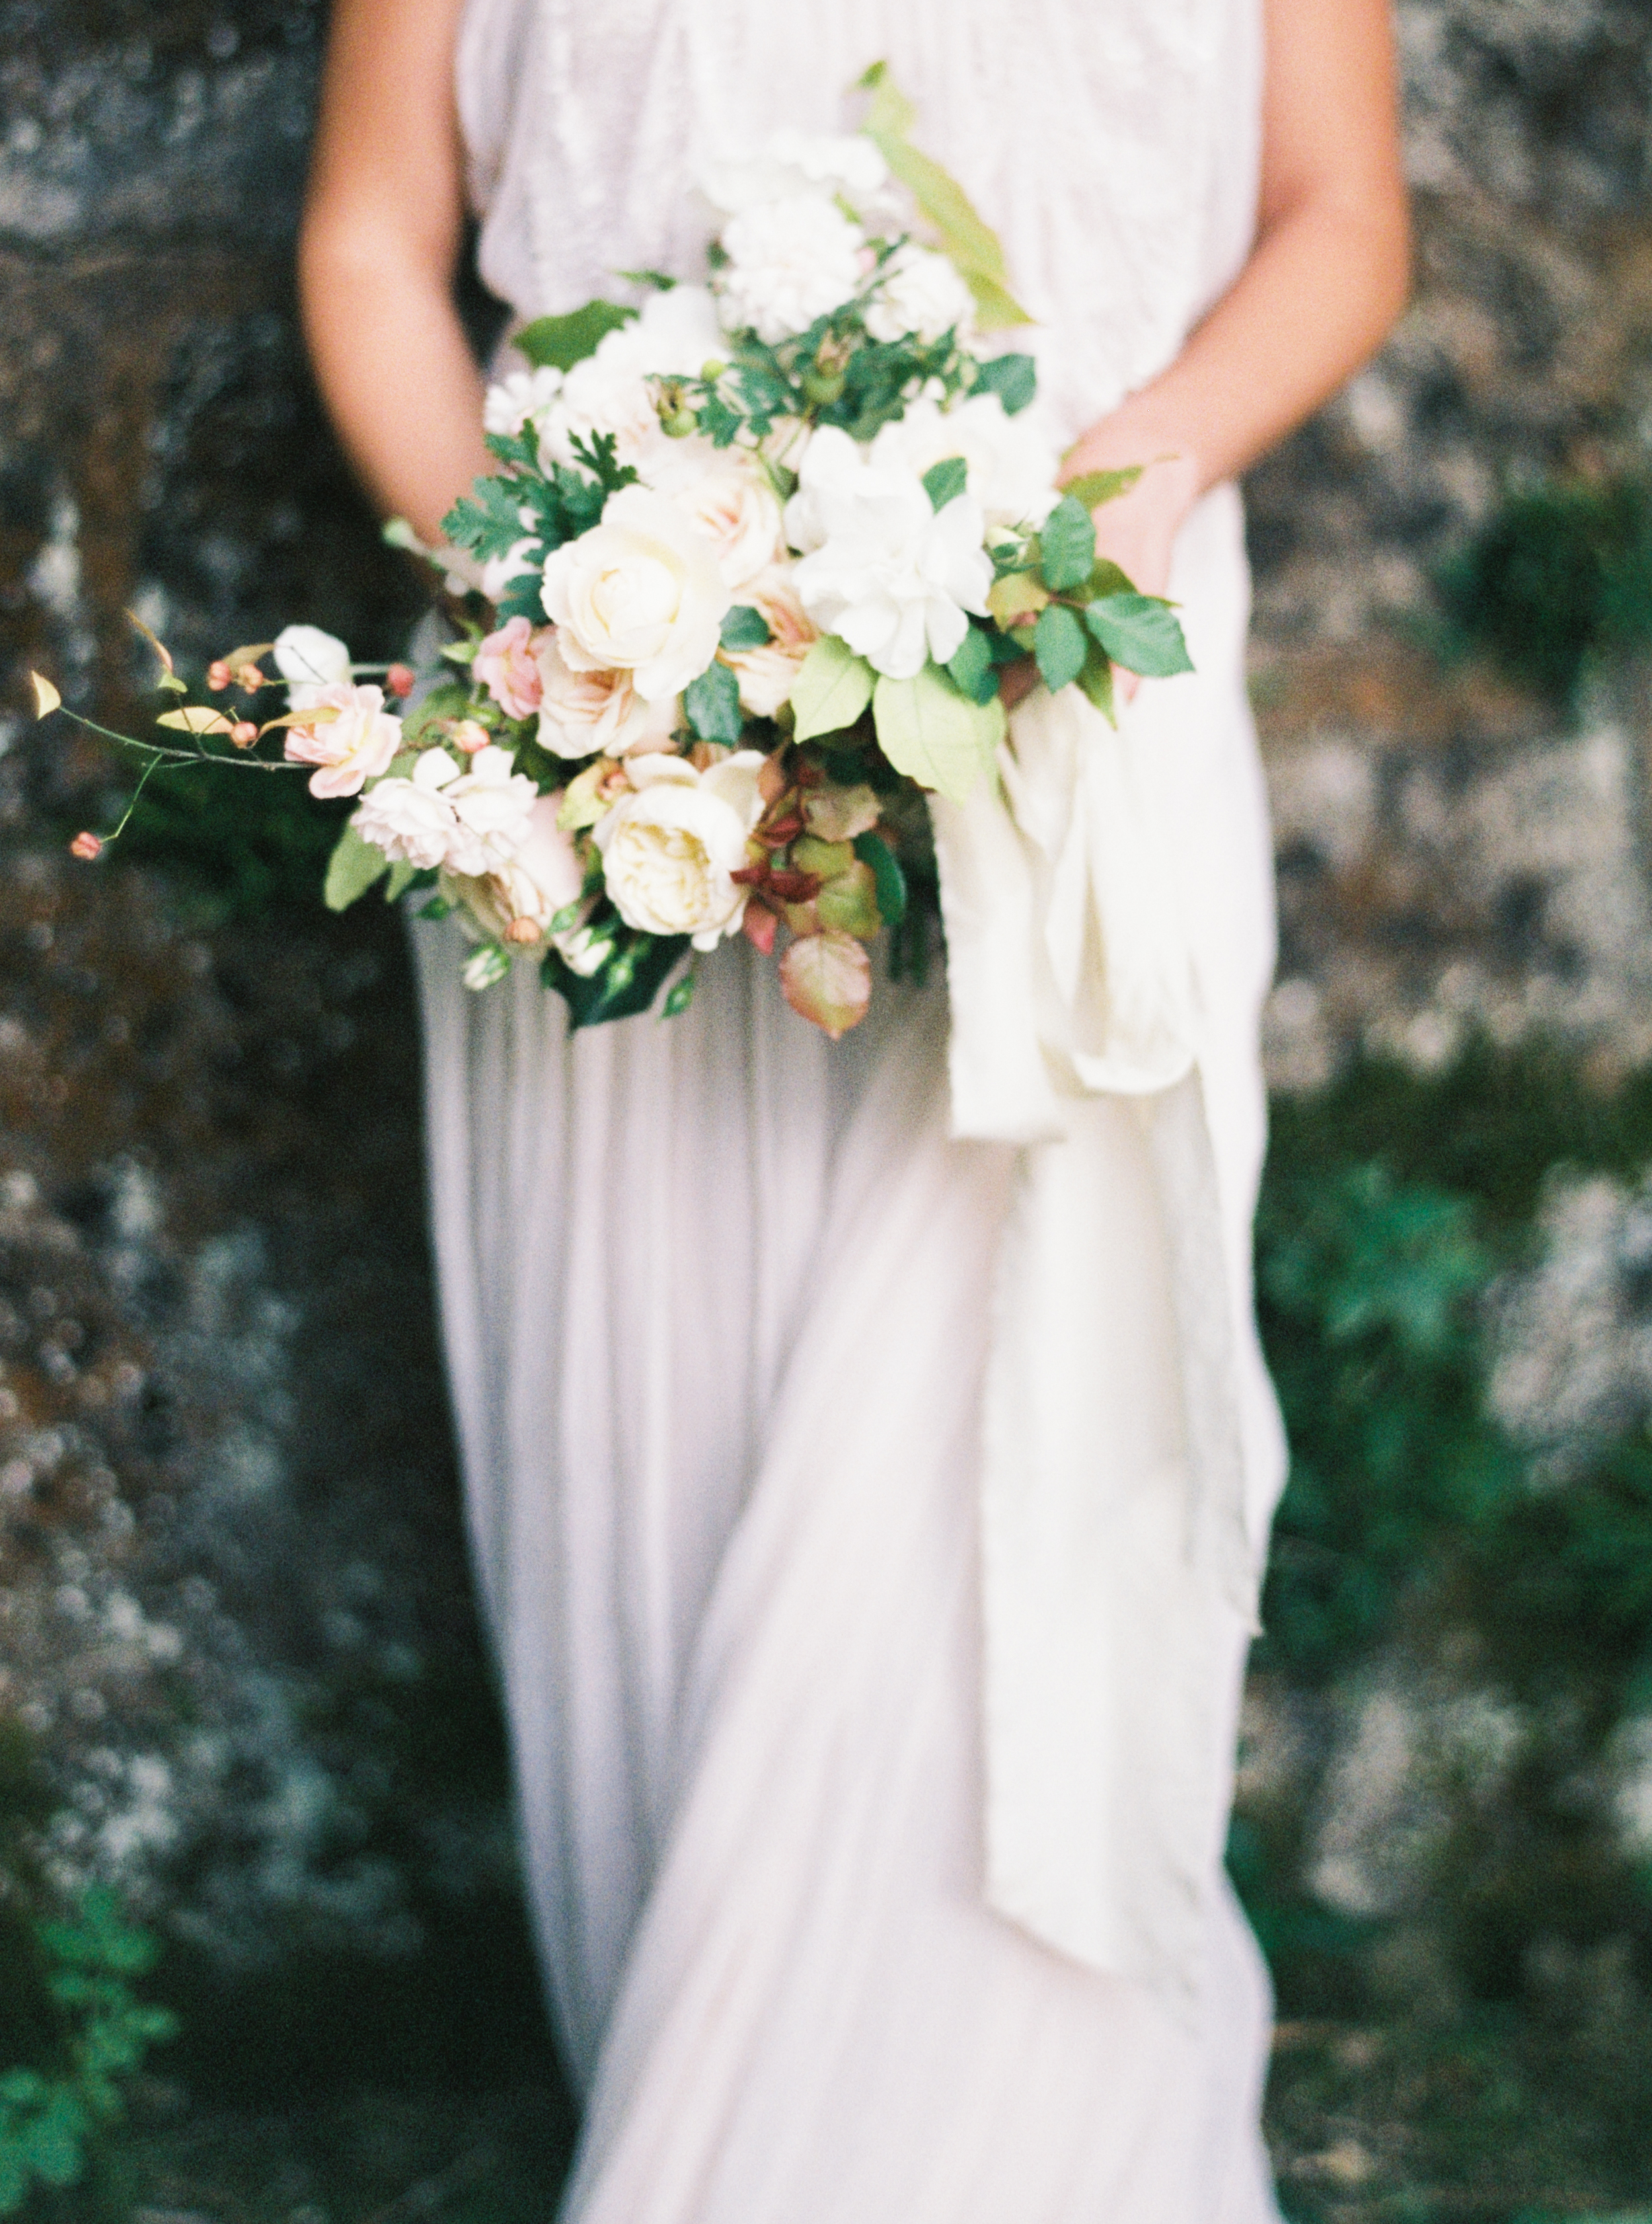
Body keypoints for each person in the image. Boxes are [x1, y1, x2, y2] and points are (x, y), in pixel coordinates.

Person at [299, 4, 1408, 2217]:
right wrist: (572, 671)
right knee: (673, 1496)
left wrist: (1135, 479)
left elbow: (1338, 217)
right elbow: (368, 239)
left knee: (1011, 1499)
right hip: (604, 791)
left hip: (1067, 751)